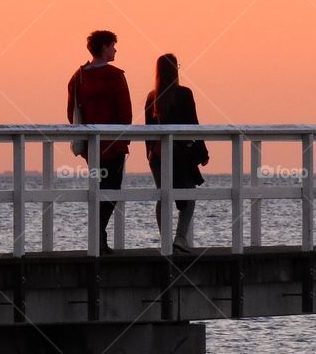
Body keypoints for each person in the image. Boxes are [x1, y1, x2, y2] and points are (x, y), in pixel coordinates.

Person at [66, 30, 132, 254]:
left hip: (91, 148)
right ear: (104, 47)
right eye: (113, 45)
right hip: (114, 144)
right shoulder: (115, 76)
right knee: (112, 191)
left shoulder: (78, 78)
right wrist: (124, 139)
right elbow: (125, 114)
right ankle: (98, 234)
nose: (115, 49)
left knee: (98, 189)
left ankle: (98, 236)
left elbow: (71, 113)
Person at [144, 53, 209, 254]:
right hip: (181, 154)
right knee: (188, 194)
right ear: (175, 70)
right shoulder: (184, 94)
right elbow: (193, 124)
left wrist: (149, 154)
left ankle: (165, 240)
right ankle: (180, 238)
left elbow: (147, 131)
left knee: (163, 195)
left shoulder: (152, 97)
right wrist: (203, 152)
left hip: (157, 154)